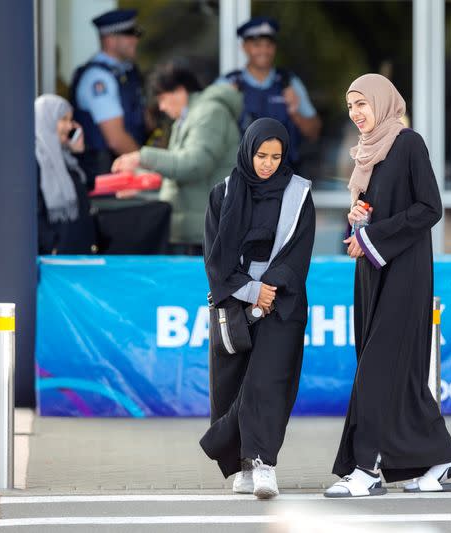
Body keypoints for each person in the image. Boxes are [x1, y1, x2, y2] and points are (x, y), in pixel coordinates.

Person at [326, 74, 451, 498]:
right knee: (399, 375)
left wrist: (373, 236)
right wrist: (358, 222)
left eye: (362, 104)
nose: (356, 113)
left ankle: (366, 470)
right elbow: (379, 208)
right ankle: (440, 457)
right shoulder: (366, 153)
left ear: (383, 102)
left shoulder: (408, 143)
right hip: (373, 271)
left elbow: (430, 208)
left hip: (405, 272)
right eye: (350, 105)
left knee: (377, 371)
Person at [199, 118, 315, 500]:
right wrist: (250, 291)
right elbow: (215, 258)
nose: (267, 163)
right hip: (236, 300)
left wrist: (270, 289)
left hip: (283, 301)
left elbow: (299, 253)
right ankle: (242, 466)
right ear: (248, 152)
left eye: (275, 156)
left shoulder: (298, 194)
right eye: (261, 155)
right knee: (233, 383)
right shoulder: (224, 194)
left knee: (269, 381)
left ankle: (264, 463)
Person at [112, 62, 243, 254]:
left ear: (180, 91)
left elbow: (195, 164)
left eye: (163, 99)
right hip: (197, 229)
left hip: (206, 233)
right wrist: (139, 183)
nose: (162, 107)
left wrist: (142, 157)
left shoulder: (210, 113)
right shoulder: (187, 119)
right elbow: (176, 173)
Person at [218, 16, 321, 173]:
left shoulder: (289, 82)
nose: (263, 51)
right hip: (241, 180)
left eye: (268, 45)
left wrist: (295, 112)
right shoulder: (228, 84)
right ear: (244, 46)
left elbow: (314, 132)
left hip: (284, 178)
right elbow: (206, 132)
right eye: (257, 45)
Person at [70, 9, 147, 182]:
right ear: (109, 40)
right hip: (104, 173)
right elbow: (116, 139)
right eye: (129, 34)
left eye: (136, 33)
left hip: (122, 169)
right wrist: (150, 167)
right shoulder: (98, 78)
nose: (136, 39)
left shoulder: (126, 72)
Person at [34, 94, 96, 255]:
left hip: (75, 250)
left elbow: (89, 183)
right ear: (46, 120)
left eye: (71, 120)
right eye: (63, 119)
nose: (70, 126)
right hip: (55, 257)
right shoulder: (35, 160)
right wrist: (52, 245)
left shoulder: (65, 157)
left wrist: (79, 152)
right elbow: (33, 210)